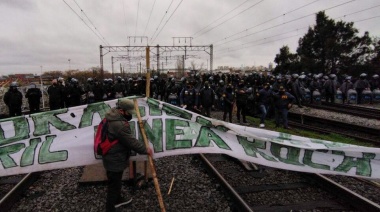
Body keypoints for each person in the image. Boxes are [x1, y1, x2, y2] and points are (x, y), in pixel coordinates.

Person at [102, 98, 153, 212]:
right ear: (121, 111)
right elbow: (131, 142)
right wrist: (146, 150)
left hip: (111, 157)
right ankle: (110, 208)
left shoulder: (111, 116)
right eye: (129, 112)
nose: (130, 114)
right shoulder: (119, 125)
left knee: (116, 181)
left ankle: (118, 199)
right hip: (114, 159)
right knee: (113, 186)